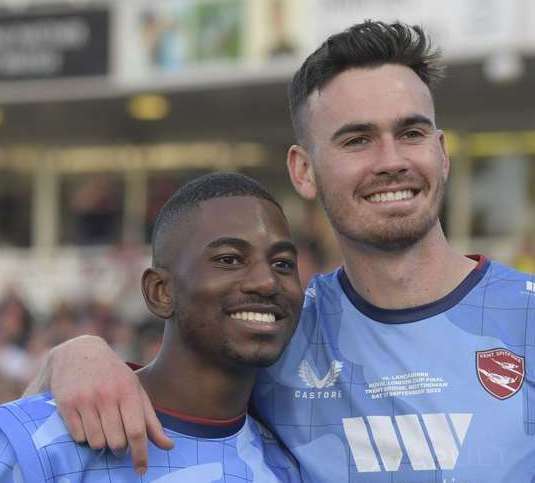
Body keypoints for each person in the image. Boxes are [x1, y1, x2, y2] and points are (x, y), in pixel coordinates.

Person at [26, 20, 535, 482]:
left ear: (442, 154)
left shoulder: (526, 317)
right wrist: (76, 354)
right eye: (357, 140)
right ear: (303, 170)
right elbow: (154, 393)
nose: (391, 160)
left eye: (411, 133)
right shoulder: (279, 328)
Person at [0, 173, 303, 482]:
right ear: (161, 291)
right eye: (229, 259)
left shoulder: (295, 463)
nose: (267, 282)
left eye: (282, 264)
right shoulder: (36, 441)